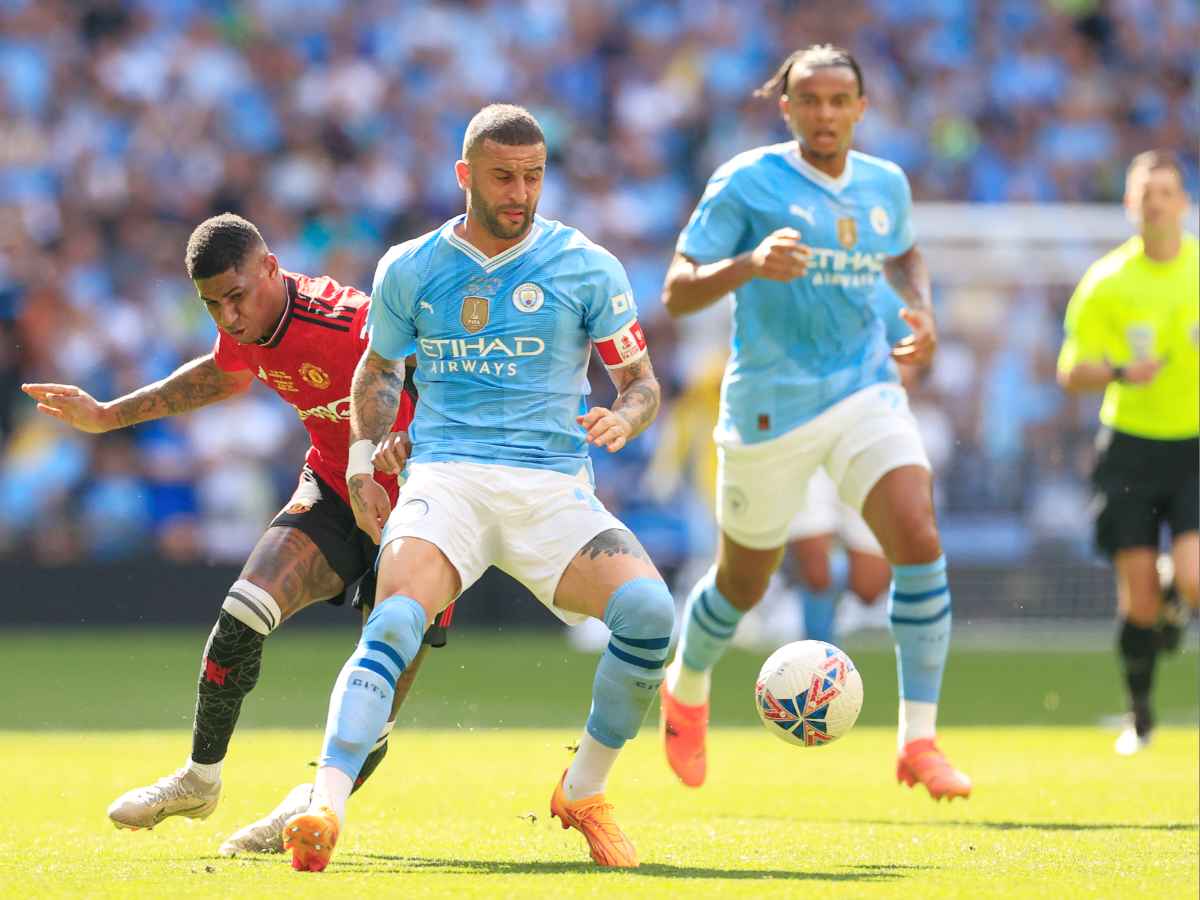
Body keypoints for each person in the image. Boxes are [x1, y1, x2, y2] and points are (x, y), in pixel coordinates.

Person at [278, 104, 672, 873]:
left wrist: (626, 417)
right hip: (447, 476)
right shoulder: (412, 267)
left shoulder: (586, 265)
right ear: (466, 176)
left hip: (552, 484)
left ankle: (582, 790)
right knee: (393, 622)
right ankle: (324, 803)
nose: (520, 192)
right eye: (503, 177)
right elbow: (378, 370)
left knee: (651, 618)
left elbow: (642, 382)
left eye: (533, 176)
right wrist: (362, 458)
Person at [22, 213, 453, 853]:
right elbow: (221, 373)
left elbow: (450, 385)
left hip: (429, 507)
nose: (226, 315)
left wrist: (408, 441)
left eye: (236, 296)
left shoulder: (350, 322)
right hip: (336, 489)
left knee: (380, 691)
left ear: (272, 269)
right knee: (241, 613)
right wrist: (109, 414)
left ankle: (308, 805)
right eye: (212, 303)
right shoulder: (251, 327)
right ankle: (199, 779)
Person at [657, 44, 970, 801]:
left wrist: (921, 309)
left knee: (918, 538)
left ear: (861, 108)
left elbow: (903, 255)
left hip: (867, 389)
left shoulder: (883, 183)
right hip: (771, 405)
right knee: (740, 583)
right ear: (786, 106)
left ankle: (918, 741)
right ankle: (686, 684)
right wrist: (748, 265)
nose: (825, 113)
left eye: (840, 100)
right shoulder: (746, 182)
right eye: (811, 99)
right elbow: (676, 291)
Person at [1056, 150, 1199, 756]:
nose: (1157, 203)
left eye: (1167, 192)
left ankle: (1177, 589)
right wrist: (1118, 370)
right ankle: (1139, 716)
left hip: (1193, 446)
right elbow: (1070, 370)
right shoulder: (1107, 281)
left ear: (1183, 202)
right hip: (1131, 449)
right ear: (1129, 204)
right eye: (1147, 193)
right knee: (1138, 598)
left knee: (1194, 580)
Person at [788, 283, 912, 643]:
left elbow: (913, 357)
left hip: (866, 443)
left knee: (870, 585)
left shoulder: (883, 295)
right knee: (814, 568)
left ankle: (829, 607)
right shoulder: (791, 290)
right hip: (808, 437)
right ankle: (818, 656)